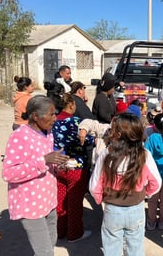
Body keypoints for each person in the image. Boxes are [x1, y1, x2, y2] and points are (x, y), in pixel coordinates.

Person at [2, 95, 69, 256]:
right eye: (51, 114)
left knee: (51, 242)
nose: (55, 118)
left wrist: (57, 163)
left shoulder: (48, 133)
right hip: (30, 204)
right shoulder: (20, 136)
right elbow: (8, 173)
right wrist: (44, 160)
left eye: (55, 113)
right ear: (35, 116)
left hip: (49, 200)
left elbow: (46, 163)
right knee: (44, 252)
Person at [89, 113, 162, 256]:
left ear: (118, 134)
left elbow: (94, 185)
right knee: (135, 247)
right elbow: (156, 183)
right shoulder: (144, 155)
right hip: (136, 208)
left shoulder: (106, 154)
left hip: (112, 209)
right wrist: (145, 194)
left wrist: (100, 199)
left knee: (111, 248)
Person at [52, 93, 94, 242]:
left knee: (60, 199)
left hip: (58, 165)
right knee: (74, 202)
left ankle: (59, 231)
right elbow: (90, 139)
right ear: (71, 104)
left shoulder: (53, 121)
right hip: (76, 166)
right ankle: (74, 233)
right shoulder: (76, 122)